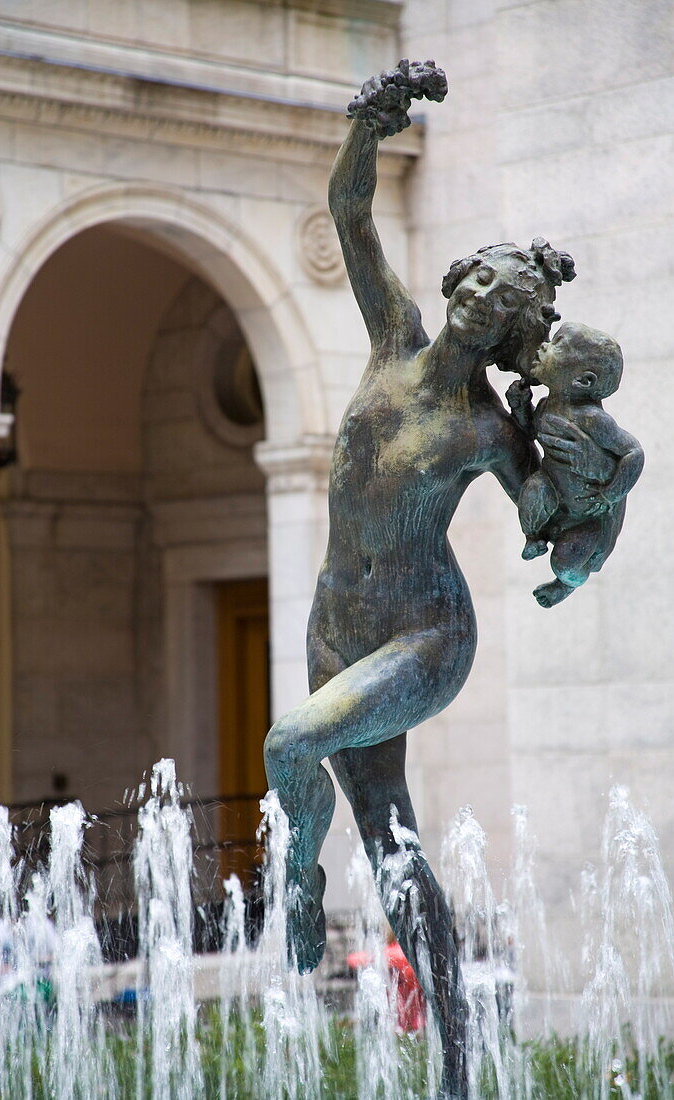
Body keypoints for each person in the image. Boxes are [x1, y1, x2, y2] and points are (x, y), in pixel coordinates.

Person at [263, 61, 602, 1099]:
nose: (472, 302)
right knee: (393, 840)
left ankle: (297, 887)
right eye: (471, 282)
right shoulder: (390, 340)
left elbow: (548, 524)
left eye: (496, 302)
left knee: (290, 739)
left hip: (424, 635)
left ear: (508, 332)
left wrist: (587, 475)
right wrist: (368, 128)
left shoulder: (491, 429)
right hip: (339, 617)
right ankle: (460, 1053)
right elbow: (350, 213)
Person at [507, 321, 644, 607]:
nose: (544, 346)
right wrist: (521, 408)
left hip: (586, 516)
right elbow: (533, 431)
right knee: (533, 492)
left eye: (557, 345)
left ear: (582, 381)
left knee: (567, 564)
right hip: (553, 492)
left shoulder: (593, 420)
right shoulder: (547, 405)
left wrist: (611, 493)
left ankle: (565, 583)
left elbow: (634, 454)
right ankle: (534, 538)